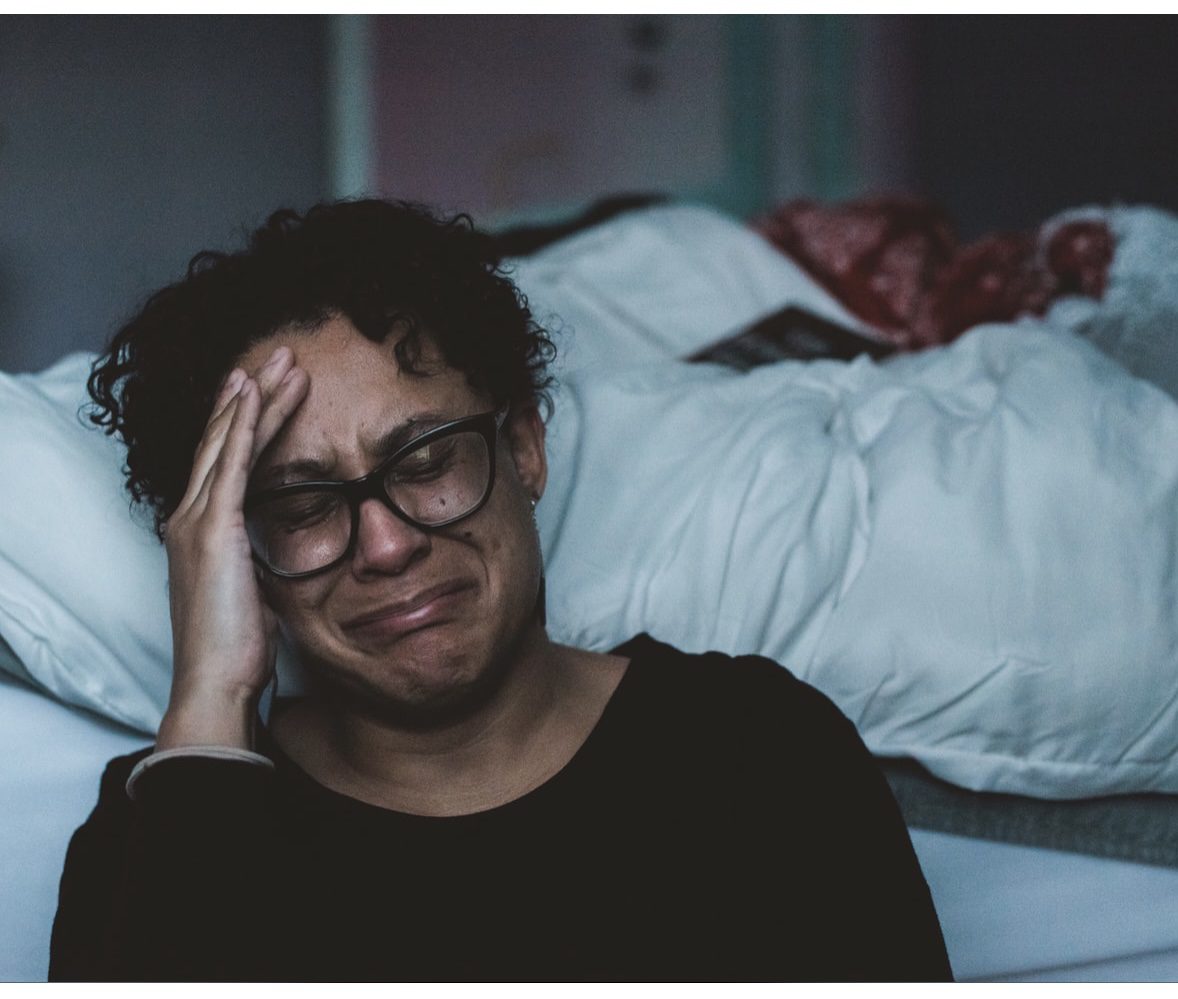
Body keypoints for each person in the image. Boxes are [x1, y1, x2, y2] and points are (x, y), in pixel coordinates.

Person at [49, 199, 952, 982]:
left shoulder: (760, 751)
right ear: (238, 550)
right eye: (303, 504)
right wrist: (212, 697)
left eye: (429, 459)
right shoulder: (159, 827)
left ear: (524, 446)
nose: (390, 543)